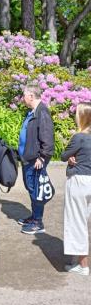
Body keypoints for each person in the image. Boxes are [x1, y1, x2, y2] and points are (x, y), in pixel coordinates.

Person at [18, 83, 54, 234]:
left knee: (36, 189)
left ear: (31, 96)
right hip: (29, 159)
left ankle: (38, 223)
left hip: (36, 160)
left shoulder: (42, 112)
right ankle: (34, 217)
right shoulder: (33, 112)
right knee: (32, 188)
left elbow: (48, 139)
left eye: (24, 95)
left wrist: (42, 157)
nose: (22, 99)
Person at [61, 103, 91, 277]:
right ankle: (78, 258)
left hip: (79, 180)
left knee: (76, 222)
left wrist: (71, 158)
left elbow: (63, 155)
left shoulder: (79, 137)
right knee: (84, 220)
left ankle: (82, 264)